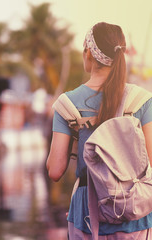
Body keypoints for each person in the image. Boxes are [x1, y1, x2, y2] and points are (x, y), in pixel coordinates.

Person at [46, 22, 152, 239]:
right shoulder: (141, 101)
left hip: (86, 213)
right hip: (134, 213)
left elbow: (55, 171)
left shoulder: (68, 104)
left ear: (88, 54)